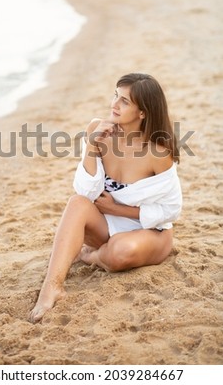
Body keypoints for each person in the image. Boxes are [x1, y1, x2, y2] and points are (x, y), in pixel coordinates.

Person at [29, 72, 182, 323]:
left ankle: (90, 255)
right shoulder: (97, 129)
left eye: (124, 101)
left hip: (148, 231)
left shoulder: (158, 152)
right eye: (115, 95)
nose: (114, 104)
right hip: (108, 223)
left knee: (120, 251)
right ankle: (52, 286)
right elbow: (86, 192)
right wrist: (91, 145)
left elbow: (171, 210)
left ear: (142, 112)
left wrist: (117, 209)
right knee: (76, 203)